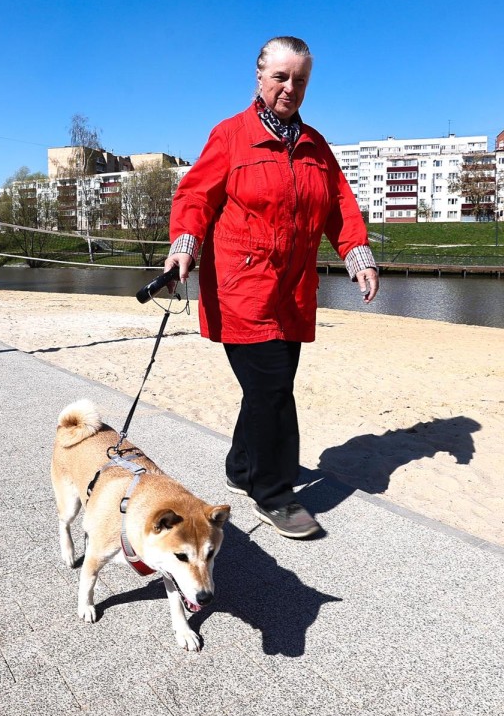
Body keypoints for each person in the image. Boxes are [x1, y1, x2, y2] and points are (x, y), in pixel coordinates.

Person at [163, 36, 380, 539]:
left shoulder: (315, 145)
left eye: (299, 79)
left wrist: (357, 253)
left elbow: (339, 204)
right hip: (242, 288)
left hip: (293, 291)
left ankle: (242, 468)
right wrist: (184, 246)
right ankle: (274, 493)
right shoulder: (231, 135)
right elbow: (196, 195)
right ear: (259, 77)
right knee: (274, 392)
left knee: (266, 389)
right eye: (280, 77)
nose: (290, 87)